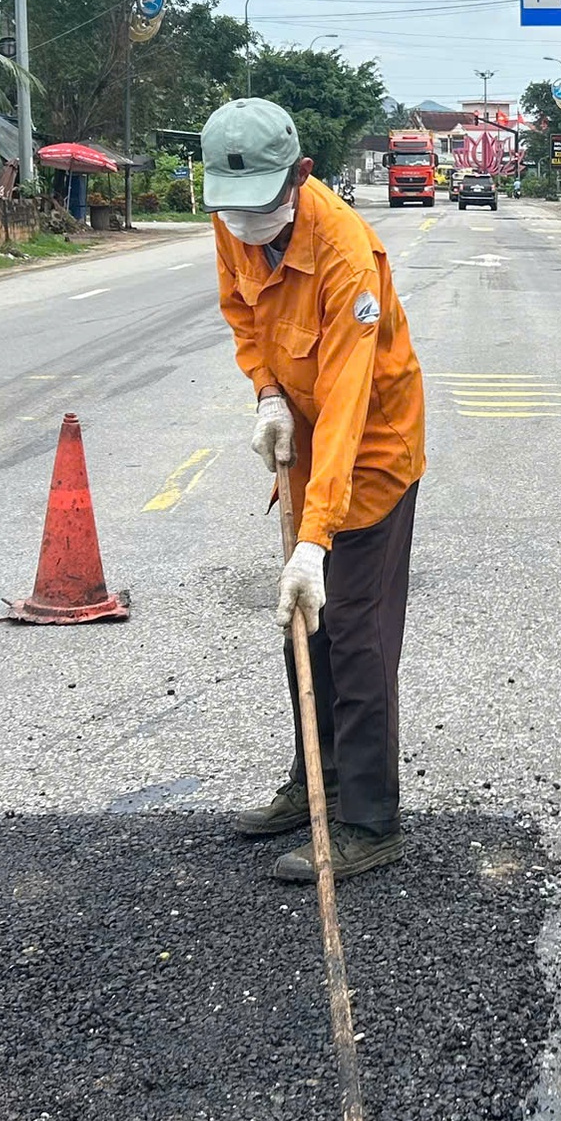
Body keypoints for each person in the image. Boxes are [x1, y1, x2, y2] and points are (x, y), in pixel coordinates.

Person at [207, 97, 428, 884]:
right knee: (307, 630)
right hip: (305, 441)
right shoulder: (235, 218)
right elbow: (242, 310)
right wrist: (265, 390)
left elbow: (346, 402)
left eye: (261, 208)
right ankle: (316, 783)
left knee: (358, 638)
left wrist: (313, 537)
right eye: (230, 212)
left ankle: (370, 821)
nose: (244, 227)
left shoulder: (345, 254)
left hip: (368, 452)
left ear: (301, 177)